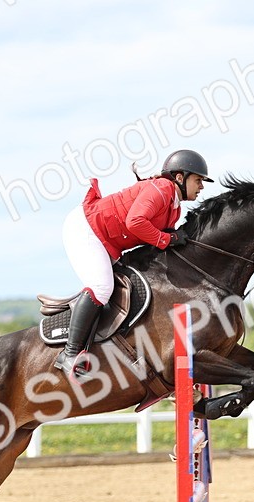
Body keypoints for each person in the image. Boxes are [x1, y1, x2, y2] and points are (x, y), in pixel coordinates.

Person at [55, 149, 213, 378]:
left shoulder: (174, 208)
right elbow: (135, 221)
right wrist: (167, 239)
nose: (201, 186)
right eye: (198, 180)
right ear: (180, 177)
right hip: (86, 228)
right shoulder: (160, 189)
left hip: (107, 241)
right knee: (102, 287)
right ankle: (69, 354)